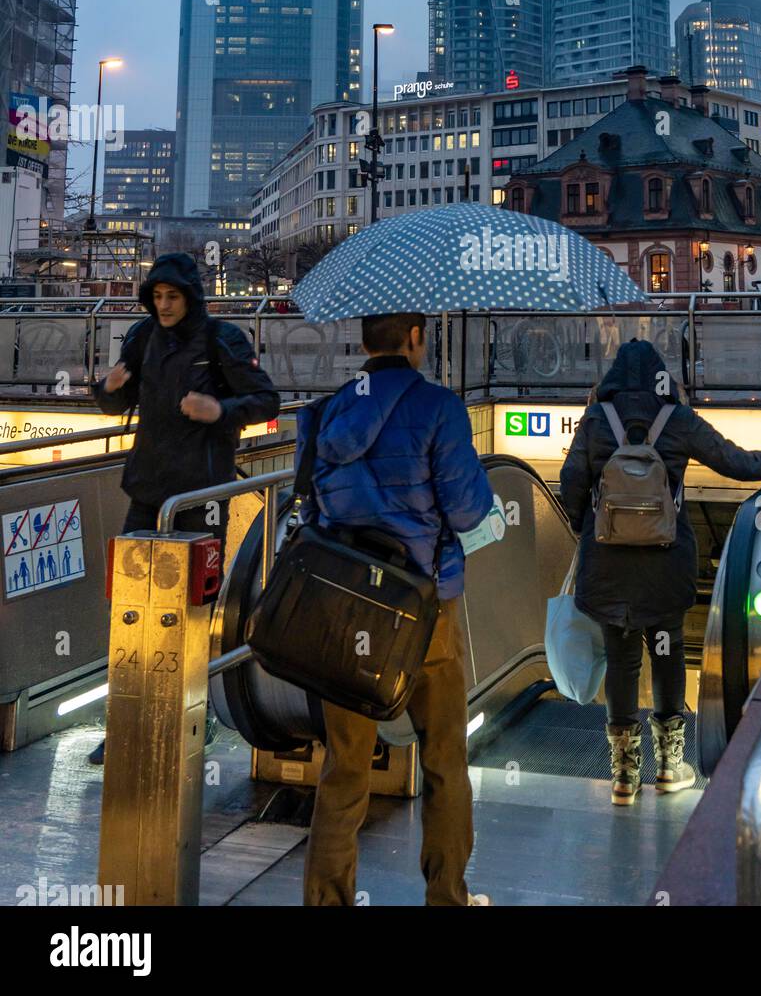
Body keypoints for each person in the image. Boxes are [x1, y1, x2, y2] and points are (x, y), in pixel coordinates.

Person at [298, 311, 495, 908]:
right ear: (414, 340)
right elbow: (467, 512)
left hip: (344, 608)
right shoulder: (439, 408)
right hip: (423, 607)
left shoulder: (327, 410)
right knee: (443, 760)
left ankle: (327, 899)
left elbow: (307, 510)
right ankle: (446, 895)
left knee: (345, 766)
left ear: (363, 342)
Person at [559, 339, 761, 806]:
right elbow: (735, 461)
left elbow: (571, 483)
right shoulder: (677, 419)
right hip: (665, 565)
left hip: (607, 567)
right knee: (666, 653)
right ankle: (670, 766)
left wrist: (585, 527)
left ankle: (624, 774)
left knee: (622, 659)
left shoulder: (594, 420)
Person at [91, 251, 280, 762]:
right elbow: (114, 402)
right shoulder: (141, 338)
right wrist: (104, 390)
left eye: (173, 296)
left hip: (199, 496)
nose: (164, 305)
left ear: (190, 296)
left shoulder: (223, 340)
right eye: (157, 296)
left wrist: (219, 410)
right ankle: (129, 720)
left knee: (191, 609)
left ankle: (191, 716)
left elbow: (266, 401)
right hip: (147, 489)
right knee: (131, 608)